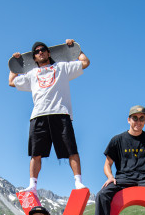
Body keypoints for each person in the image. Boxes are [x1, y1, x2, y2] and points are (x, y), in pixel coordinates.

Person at [8, 40, 90, 194]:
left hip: (61, 113)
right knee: (35, 153)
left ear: (49, 52)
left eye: (43, 50)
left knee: (71, 150)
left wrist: (75, 49)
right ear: (34, 57)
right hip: (38, 116)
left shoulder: (62, 67)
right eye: (37, 51)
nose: (40, 52)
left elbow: (85, 62)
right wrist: (16, 65)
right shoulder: (31, 74)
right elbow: (11, 82)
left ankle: (78, 182)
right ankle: (32, 185)